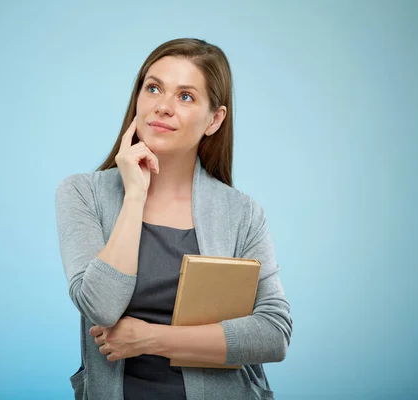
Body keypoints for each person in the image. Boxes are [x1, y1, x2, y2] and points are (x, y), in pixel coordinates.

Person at [55, 38, 292, 400]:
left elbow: (273, 334)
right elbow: (101, 306)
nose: (162, 107)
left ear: (214, 120)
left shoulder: (242, 213)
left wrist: (152, 339)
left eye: (185, 96)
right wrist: (135, 195)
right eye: (153, 88)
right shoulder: (83, 194)